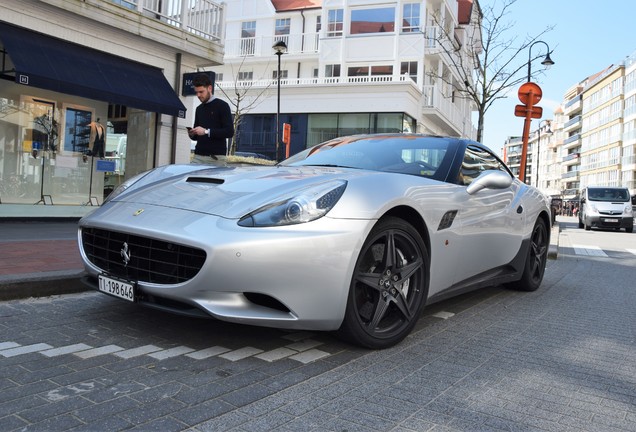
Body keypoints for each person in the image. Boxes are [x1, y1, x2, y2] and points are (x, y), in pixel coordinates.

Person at [188, 74, 234, 165]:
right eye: (196, 92)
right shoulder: (199, 109)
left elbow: (229, 132)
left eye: (201, 92)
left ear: (209, 88)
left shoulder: (222, 106)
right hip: (198, 156)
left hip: (216, 158)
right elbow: (197, 137)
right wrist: (192, 134)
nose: (198, 95)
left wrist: (206, 132)